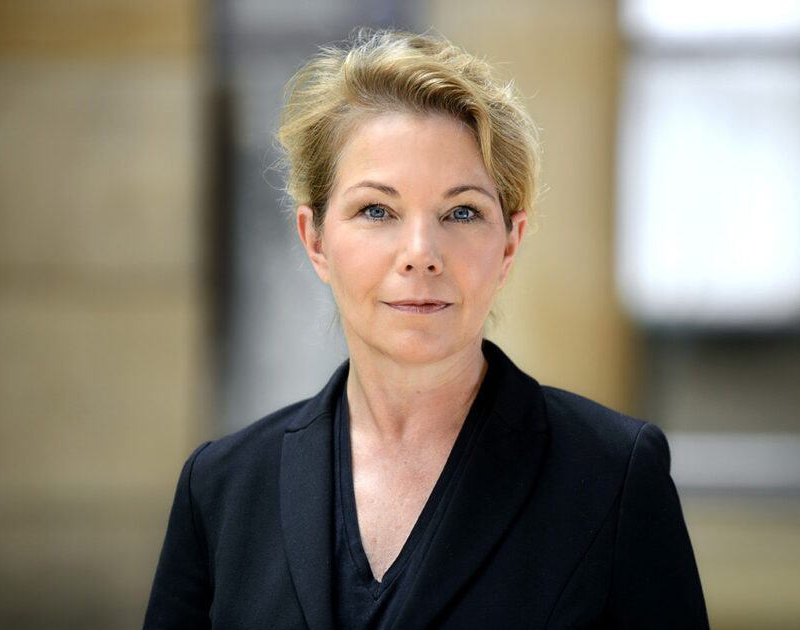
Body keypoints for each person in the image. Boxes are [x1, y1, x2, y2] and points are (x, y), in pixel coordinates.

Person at [144, 28, 708, 629]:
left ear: (510, 244)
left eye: (461, 211)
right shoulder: (222, 488)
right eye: (377, 210)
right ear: (315, 241)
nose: (420, 253)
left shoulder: (613, 478)